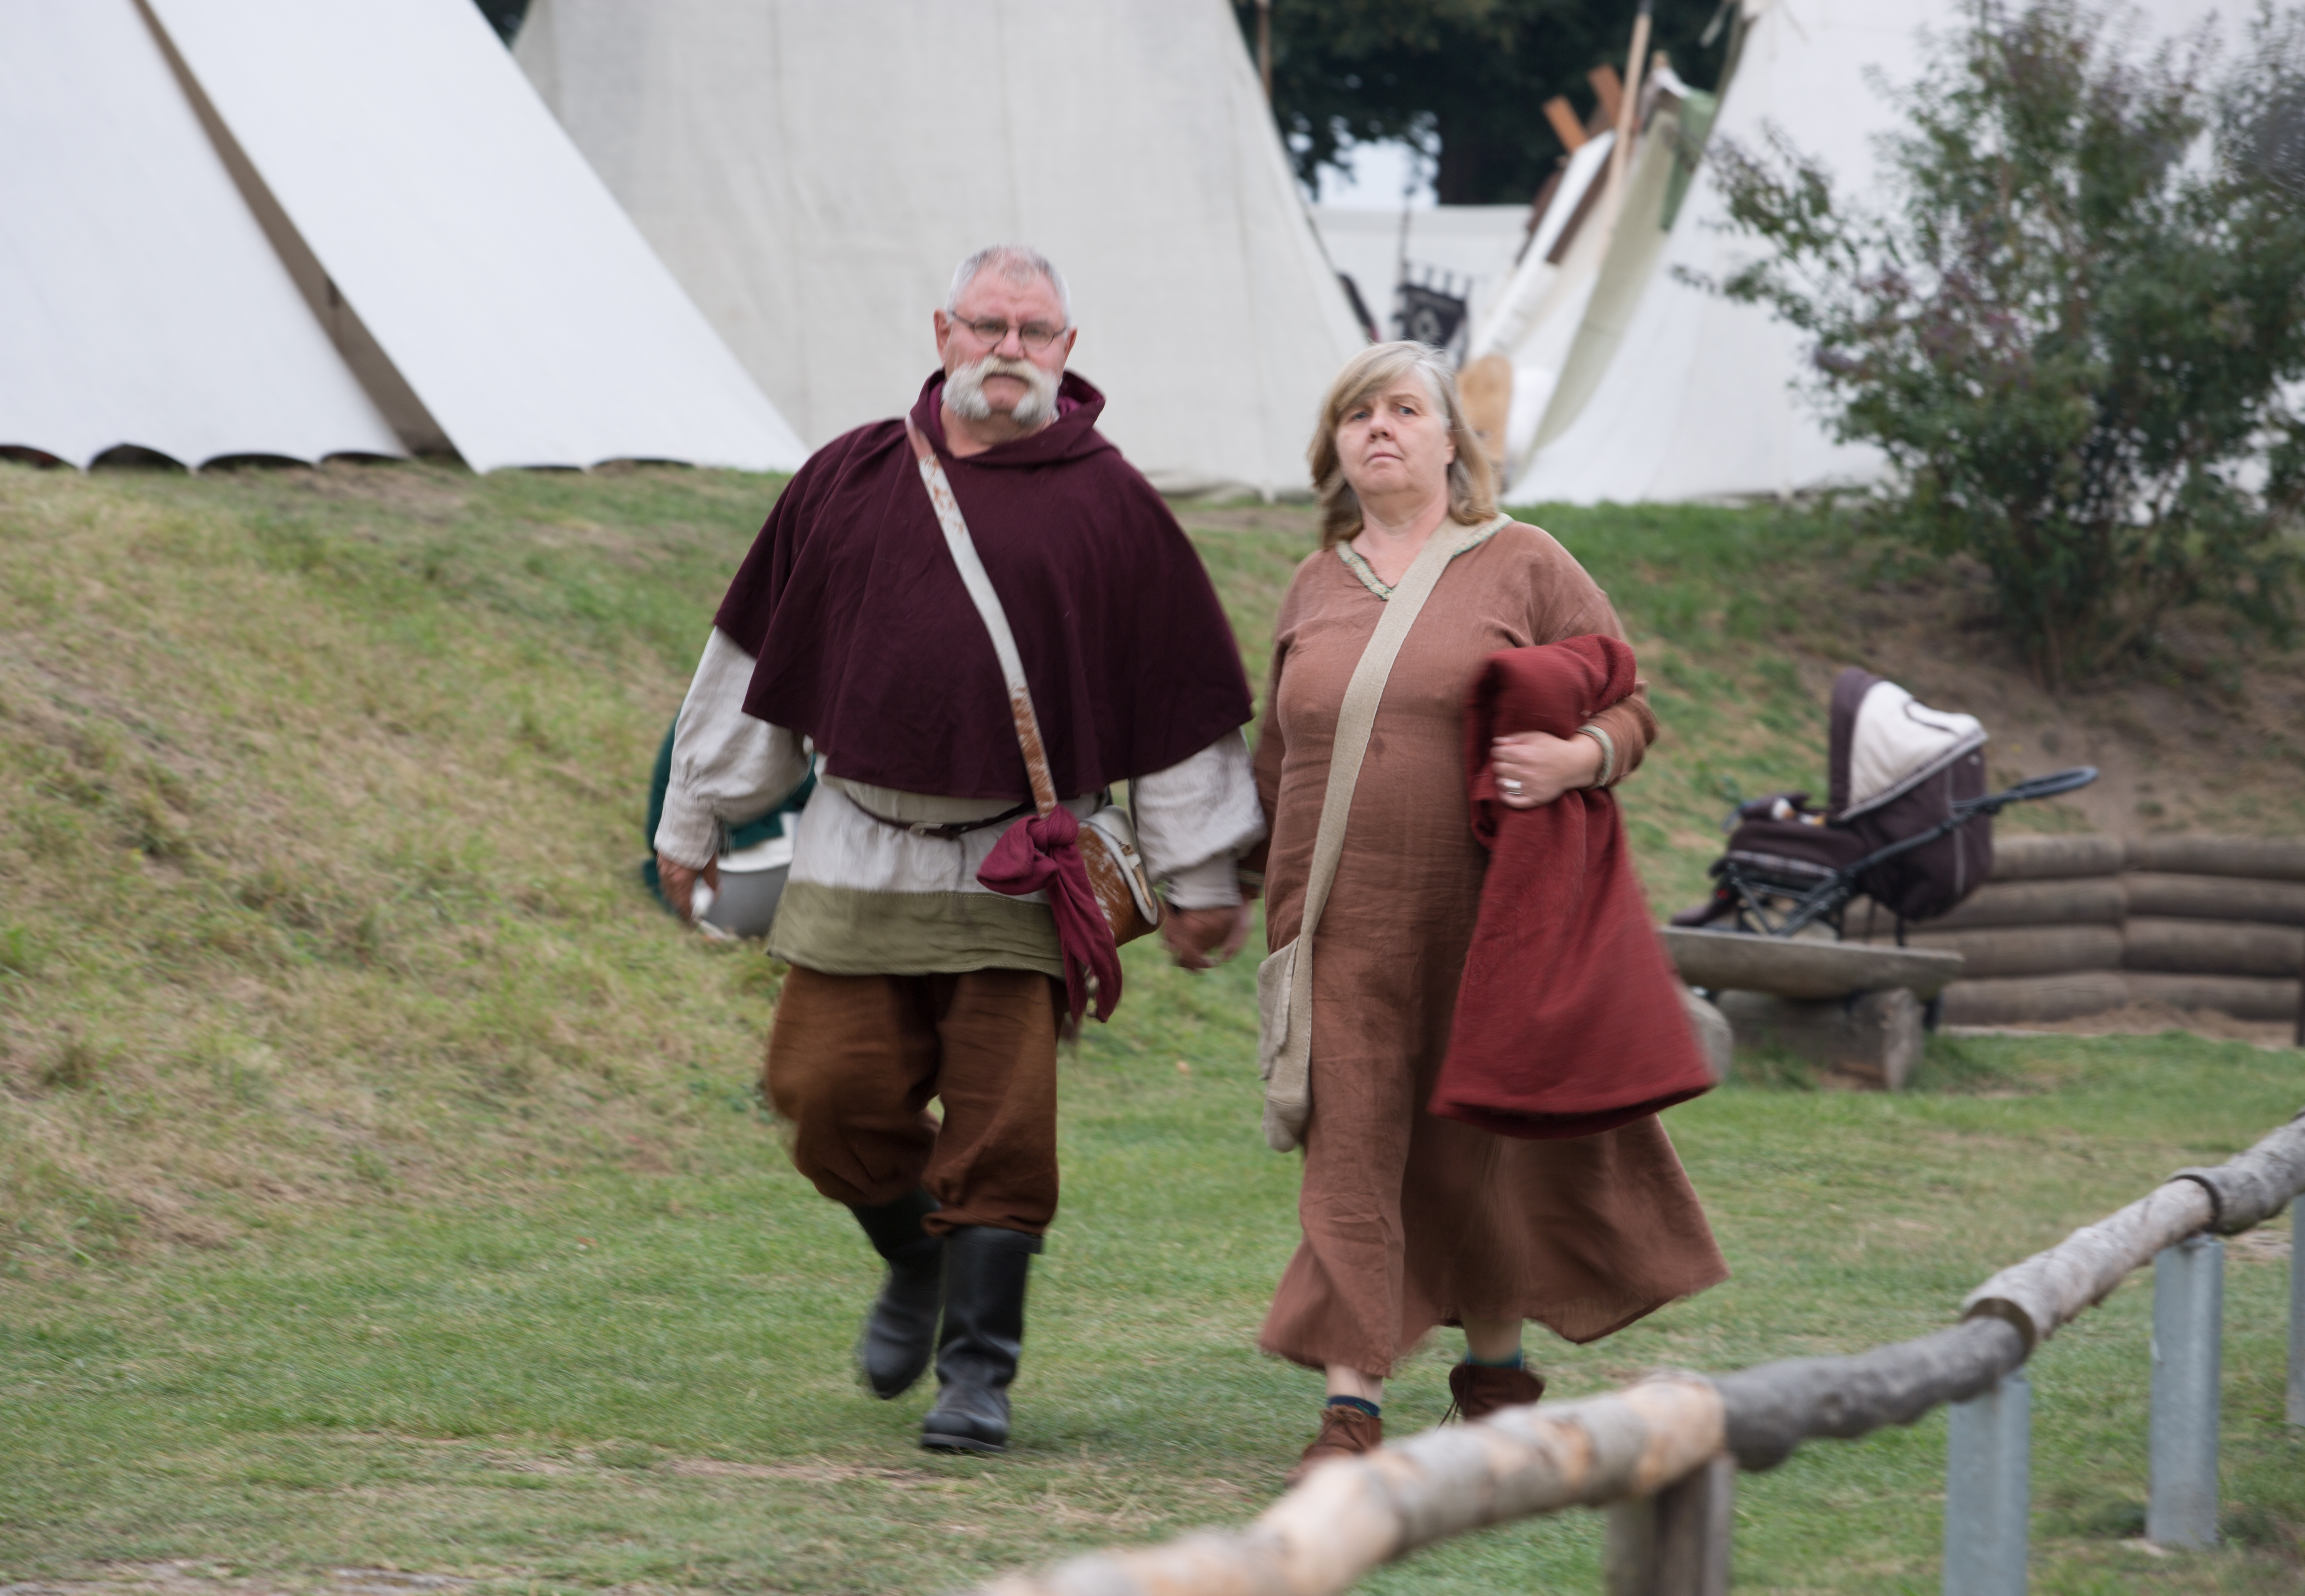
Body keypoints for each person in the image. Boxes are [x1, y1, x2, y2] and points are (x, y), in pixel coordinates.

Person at [653, 245, 1264, 1455]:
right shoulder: (850, 478)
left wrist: (1198, 876)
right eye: (988, 324)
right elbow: (751, 659)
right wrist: (695, 816)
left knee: (1003, 1123)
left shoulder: (1113, 505)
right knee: (823, 1094)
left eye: (1035, 331)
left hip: (1019, 866)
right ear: (944, 334)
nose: (1009, 349)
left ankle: (978, 1374)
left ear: (1068, 352)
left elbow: (1179, 699)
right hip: (859, 847)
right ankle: (915, 1259)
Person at [1245, 342, 1727, 1481]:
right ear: (1334, 447)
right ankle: (1352, 1410)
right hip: (1338, 925)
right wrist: (1235, 892)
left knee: (1481, 1152)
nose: (1380, 429)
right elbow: (1277, 756)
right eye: (1357, 414)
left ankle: (1498, 1379)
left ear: (1452, 441)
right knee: (1351, 1148)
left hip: (1489, 918)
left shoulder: (1525, 563)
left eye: (1403, 410)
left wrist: (1578, 759)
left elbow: (1631, 704)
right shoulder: (1313, 585)